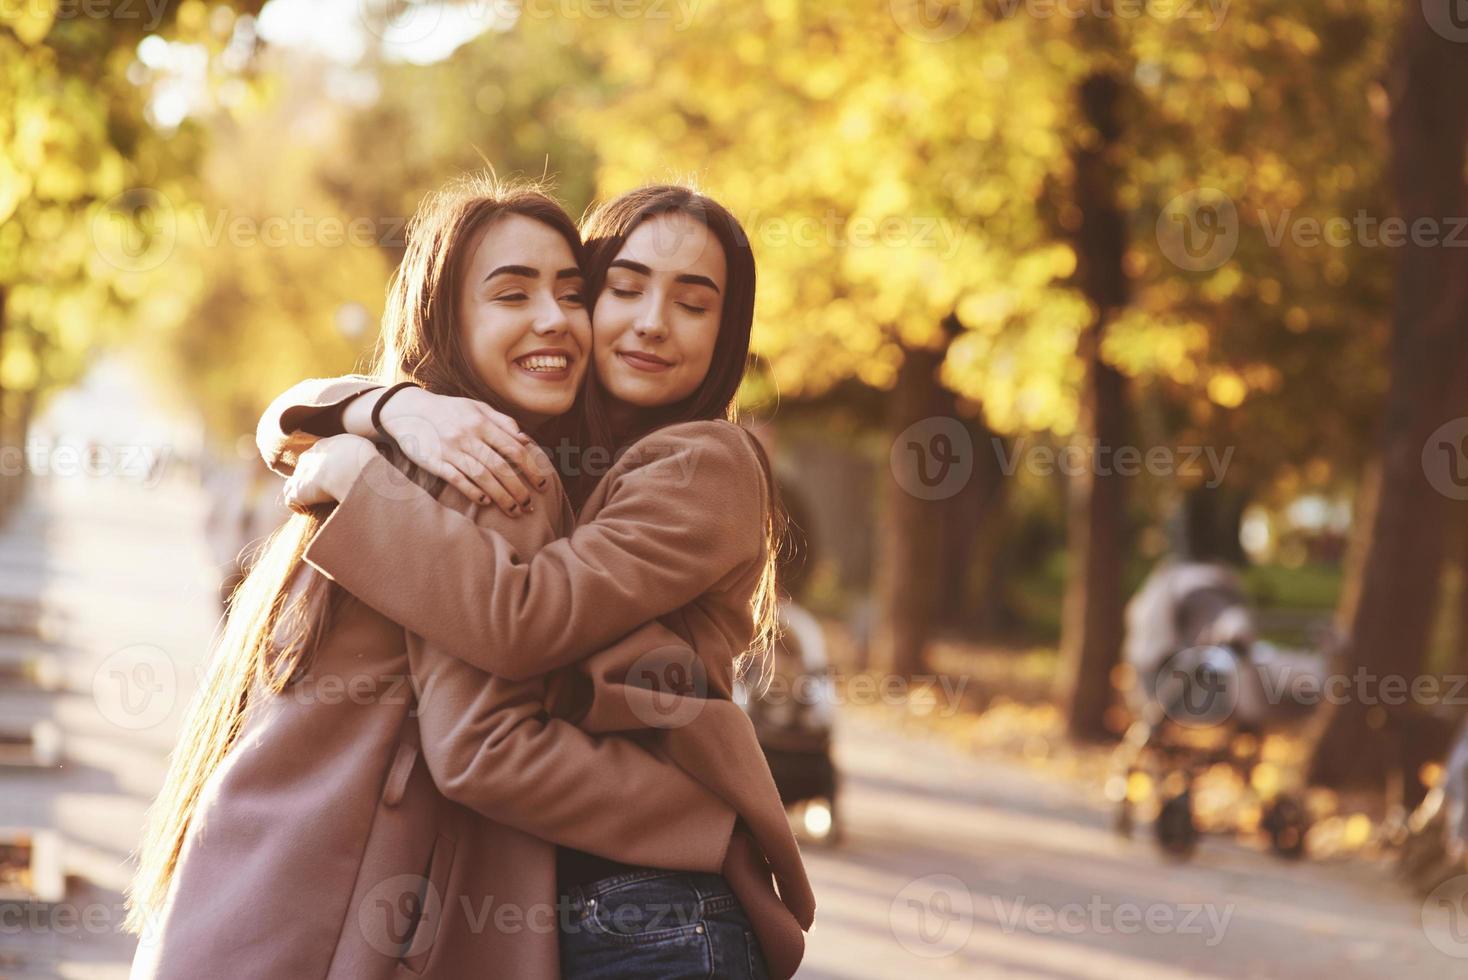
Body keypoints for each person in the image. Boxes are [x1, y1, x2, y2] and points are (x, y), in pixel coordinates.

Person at [127, 177, 776, 980]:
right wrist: (385, 411)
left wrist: (355, 455)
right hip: (309, 903)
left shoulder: (674, 464)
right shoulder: (484, 459)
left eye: (693, 302)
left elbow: (522, 624)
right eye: (622, 287)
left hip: (648, 914)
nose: (648, 321)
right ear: (446, 315)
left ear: (728, 331)